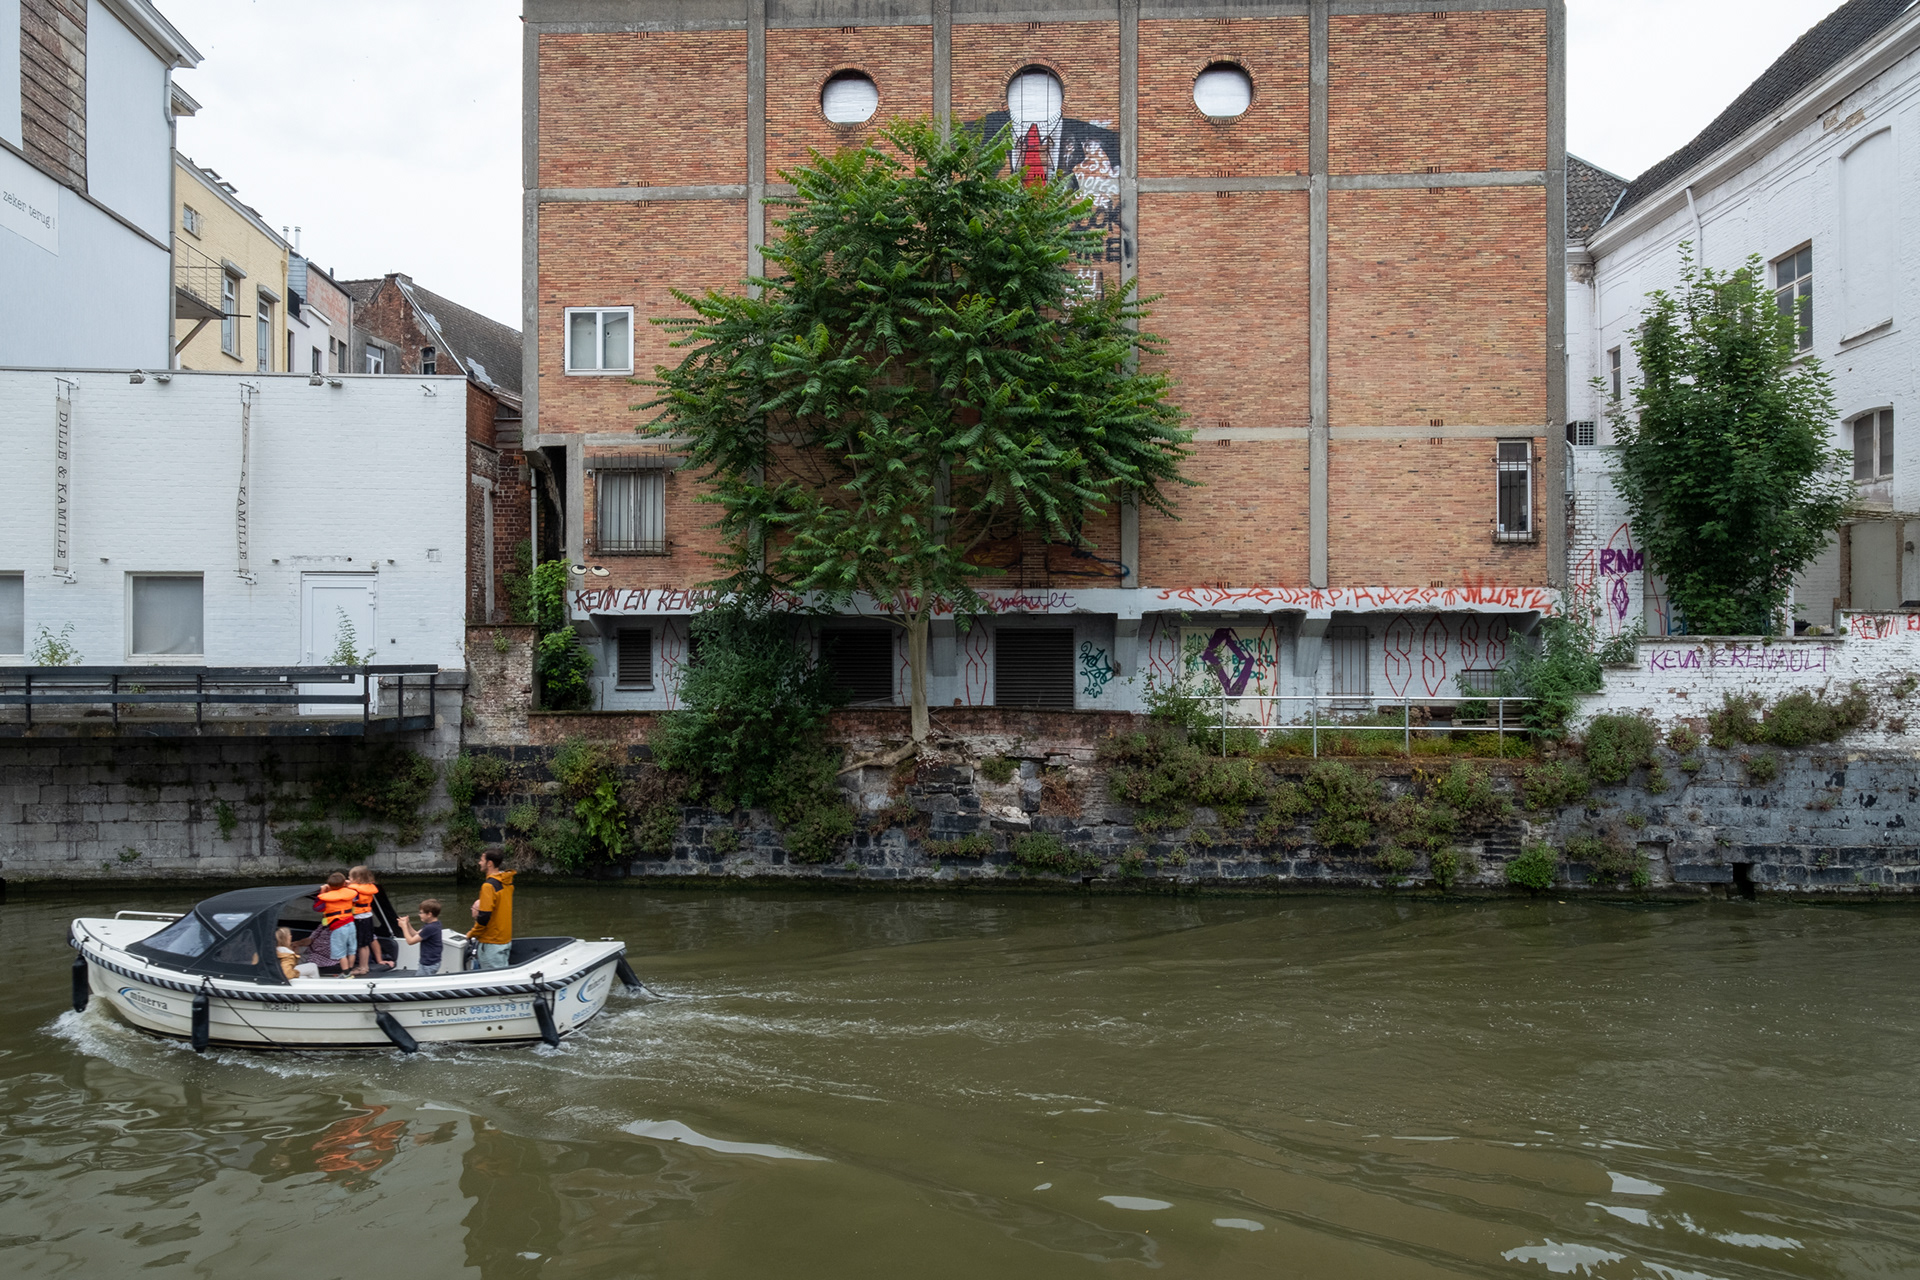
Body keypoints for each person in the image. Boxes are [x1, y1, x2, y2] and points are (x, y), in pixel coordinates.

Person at [468, 850, 515, 970]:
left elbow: (484, 916)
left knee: (493, 980)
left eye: (481, 860)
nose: (479, 863)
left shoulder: (488, 886)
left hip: (491, 943)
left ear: (489, 863)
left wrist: (472, 933)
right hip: (505, 940)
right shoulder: (507, 883)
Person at [347, 866, 391, 976]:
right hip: (368, 918)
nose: (348, 878)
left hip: (359, 919)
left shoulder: (354, 891)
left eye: (350, 877)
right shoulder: (368, 888)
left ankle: (361, 968)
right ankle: (365, 966)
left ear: (357, 879)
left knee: (360, 945)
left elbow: (349, 898)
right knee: (365, 944)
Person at [314, 872, 359, 976]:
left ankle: (346, 974)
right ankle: (351, 970)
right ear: (344, 883)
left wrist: (322, 892)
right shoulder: (350, 894)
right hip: (351, 925)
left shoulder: (326, 898)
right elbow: (356, 896)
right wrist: (348, 885)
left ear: (329, 885)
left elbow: (317, 907)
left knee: (341, 953)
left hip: (338, 928)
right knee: (352, 950)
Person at [394, 899, 446, 976]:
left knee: (420, 984)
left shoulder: (430, 928)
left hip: (428, 965)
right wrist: (408, 924)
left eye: (421, 913)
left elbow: (410, 941)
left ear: (429, 914)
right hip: (432, 962)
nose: (419, 915)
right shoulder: (435, 924)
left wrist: (403, 927)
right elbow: (416, 935)